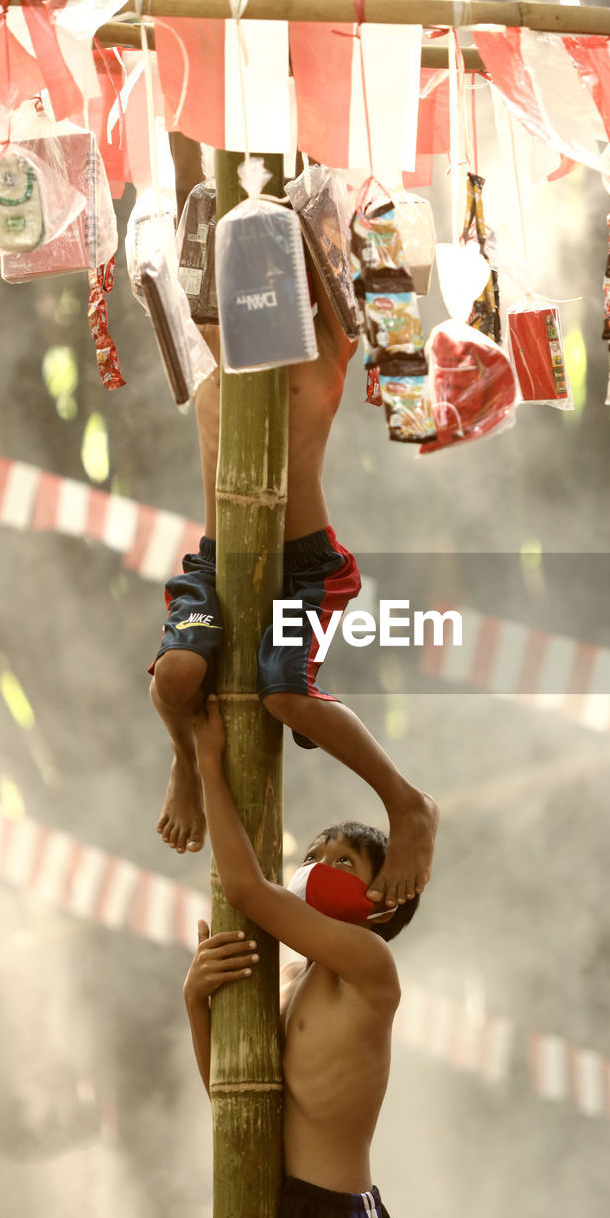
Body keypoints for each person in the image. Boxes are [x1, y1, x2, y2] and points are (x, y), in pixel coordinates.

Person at [149, 138, 437, 910]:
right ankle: (184, 760)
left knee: (283, 692)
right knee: (175, 680)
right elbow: (194, 193)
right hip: (218, 560)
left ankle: (407, 802)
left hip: (304, 563)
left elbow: (352, 255)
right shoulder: (211, 323)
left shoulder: (331, 337)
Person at [184, 694, 412, 1218]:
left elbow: (245, 889)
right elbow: (229, 1093)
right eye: (315, 854)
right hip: (277, 1208)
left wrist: (209, 766)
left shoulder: (371, 967)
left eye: (344, 864)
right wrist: (195, 1001)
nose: (317, 869)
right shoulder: (288, 977)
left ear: (381, 903)